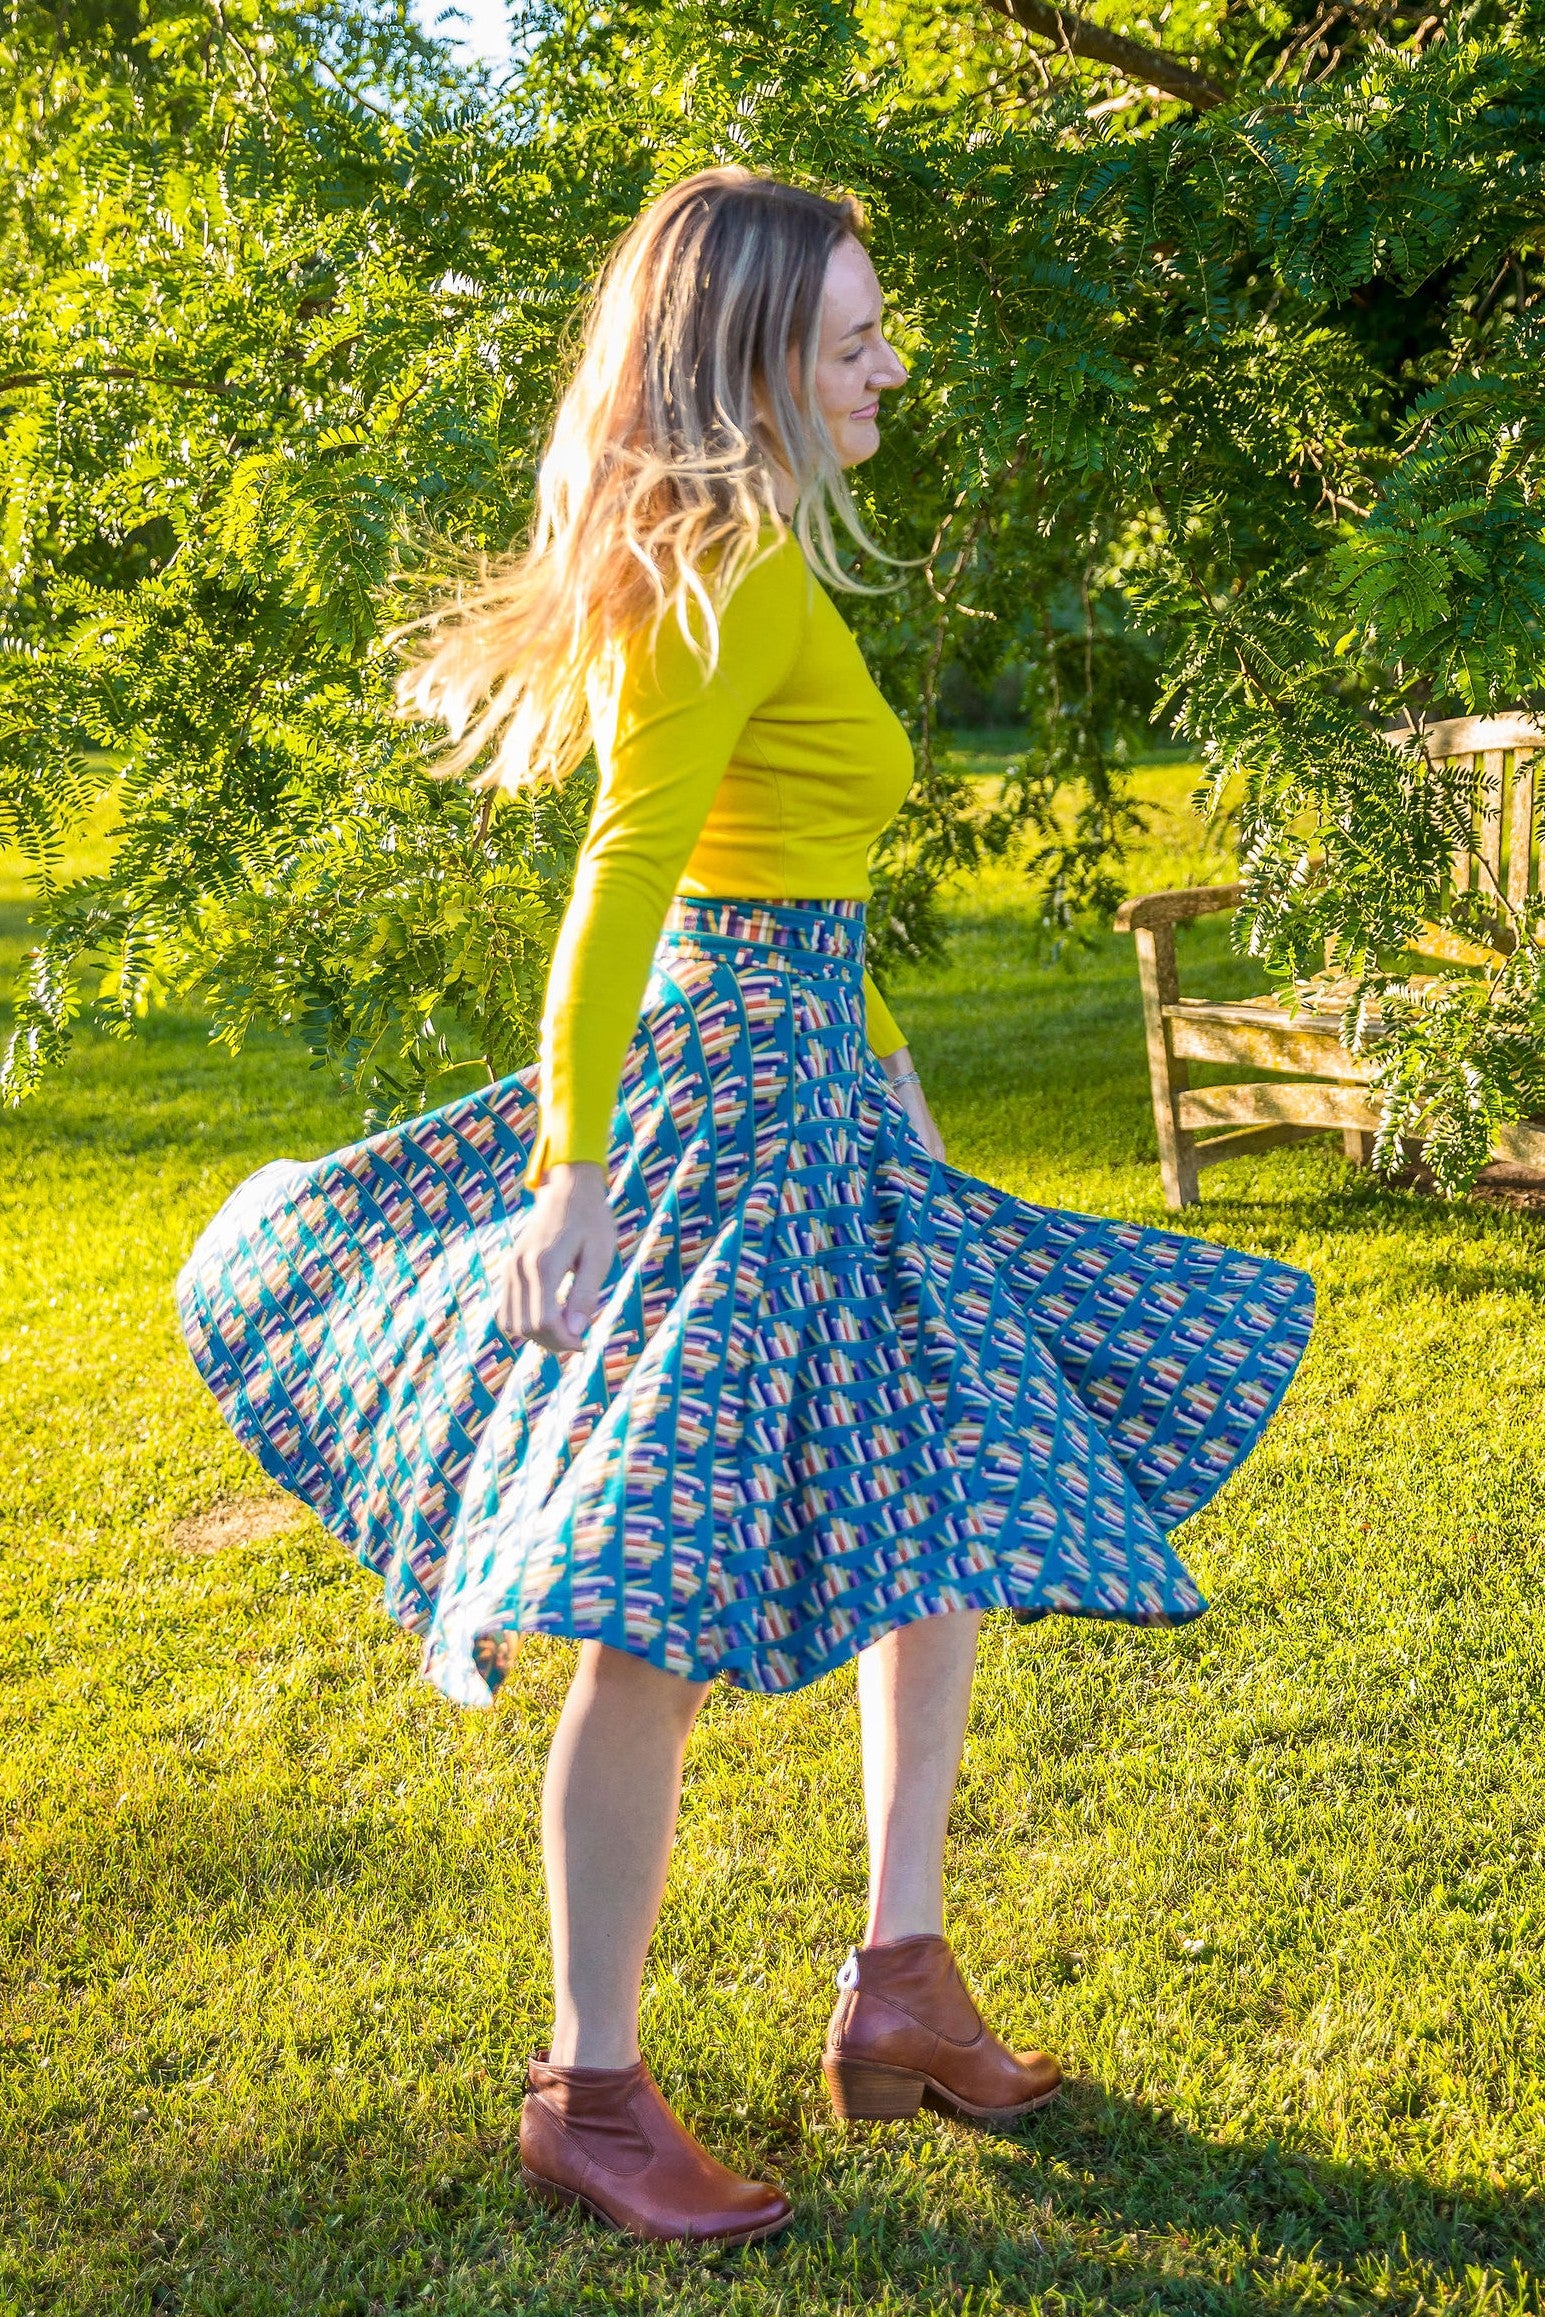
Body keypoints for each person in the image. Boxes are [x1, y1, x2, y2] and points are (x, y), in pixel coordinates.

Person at [177, 168, 1314, 2248]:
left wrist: (892, 1077)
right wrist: (570, 1172)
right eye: (856, 337)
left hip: (818, 1095)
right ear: (756, 354)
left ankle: (902, 1980)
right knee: (647, 1599)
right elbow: (627, 874)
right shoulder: (718, 572)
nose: (891, 367)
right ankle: (589, 2092)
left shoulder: (771, 558)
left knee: (934, 1493)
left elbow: (783, 880)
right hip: (720, 1121)